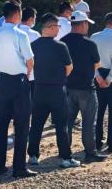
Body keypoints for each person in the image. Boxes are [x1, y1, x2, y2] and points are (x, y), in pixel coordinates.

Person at [0, 0, 36, 179]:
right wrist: (27, 75)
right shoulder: (20, 34)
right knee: (21, 125)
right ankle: (19, 167)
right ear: (16, 14)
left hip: (3, 81)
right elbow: (30, 61)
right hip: (19, 81)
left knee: (1, 123)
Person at [27, 13, 79, 169]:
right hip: (57, 89)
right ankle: (65, 158)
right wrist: (60, 76)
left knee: (36, 124)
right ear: (50, 27)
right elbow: (69, 67)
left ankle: (33, 155)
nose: (59, 29)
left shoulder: (33, 45)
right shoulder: (60, 46)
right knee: (61, 125)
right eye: (58, 26)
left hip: (39, 88)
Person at [62, 11, 107, 163]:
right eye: (86, 23)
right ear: (82, 24)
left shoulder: (63, 42)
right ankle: (90, 152)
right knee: (88, 122)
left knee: (67, 122)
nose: (87, 26)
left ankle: (65, 152)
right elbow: (98, 64)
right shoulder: (90, 44)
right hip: (86, 88)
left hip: (68, 87)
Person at [91, 12, 112, 152]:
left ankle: (97, 141)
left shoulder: (94, 37)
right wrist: (110, 79)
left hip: (98, 74)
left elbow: (90, 59)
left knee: (98, 110)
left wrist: (97, 76)